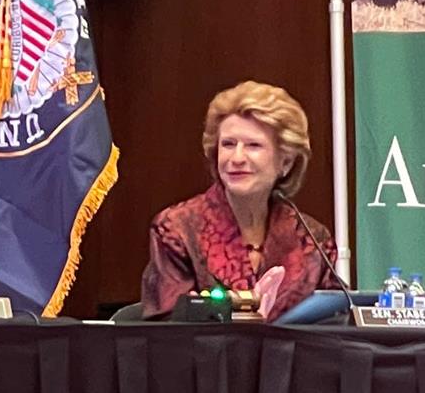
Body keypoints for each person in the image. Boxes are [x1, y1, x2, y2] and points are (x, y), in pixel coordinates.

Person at [141, 81, 341, 321]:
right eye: (228, 144)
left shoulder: (312, 239)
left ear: (285, 162)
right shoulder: (177, 229)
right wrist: (240, 316)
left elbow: (335, 324)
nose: (236, 158)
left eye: (253, 146)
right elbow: (165, 329)